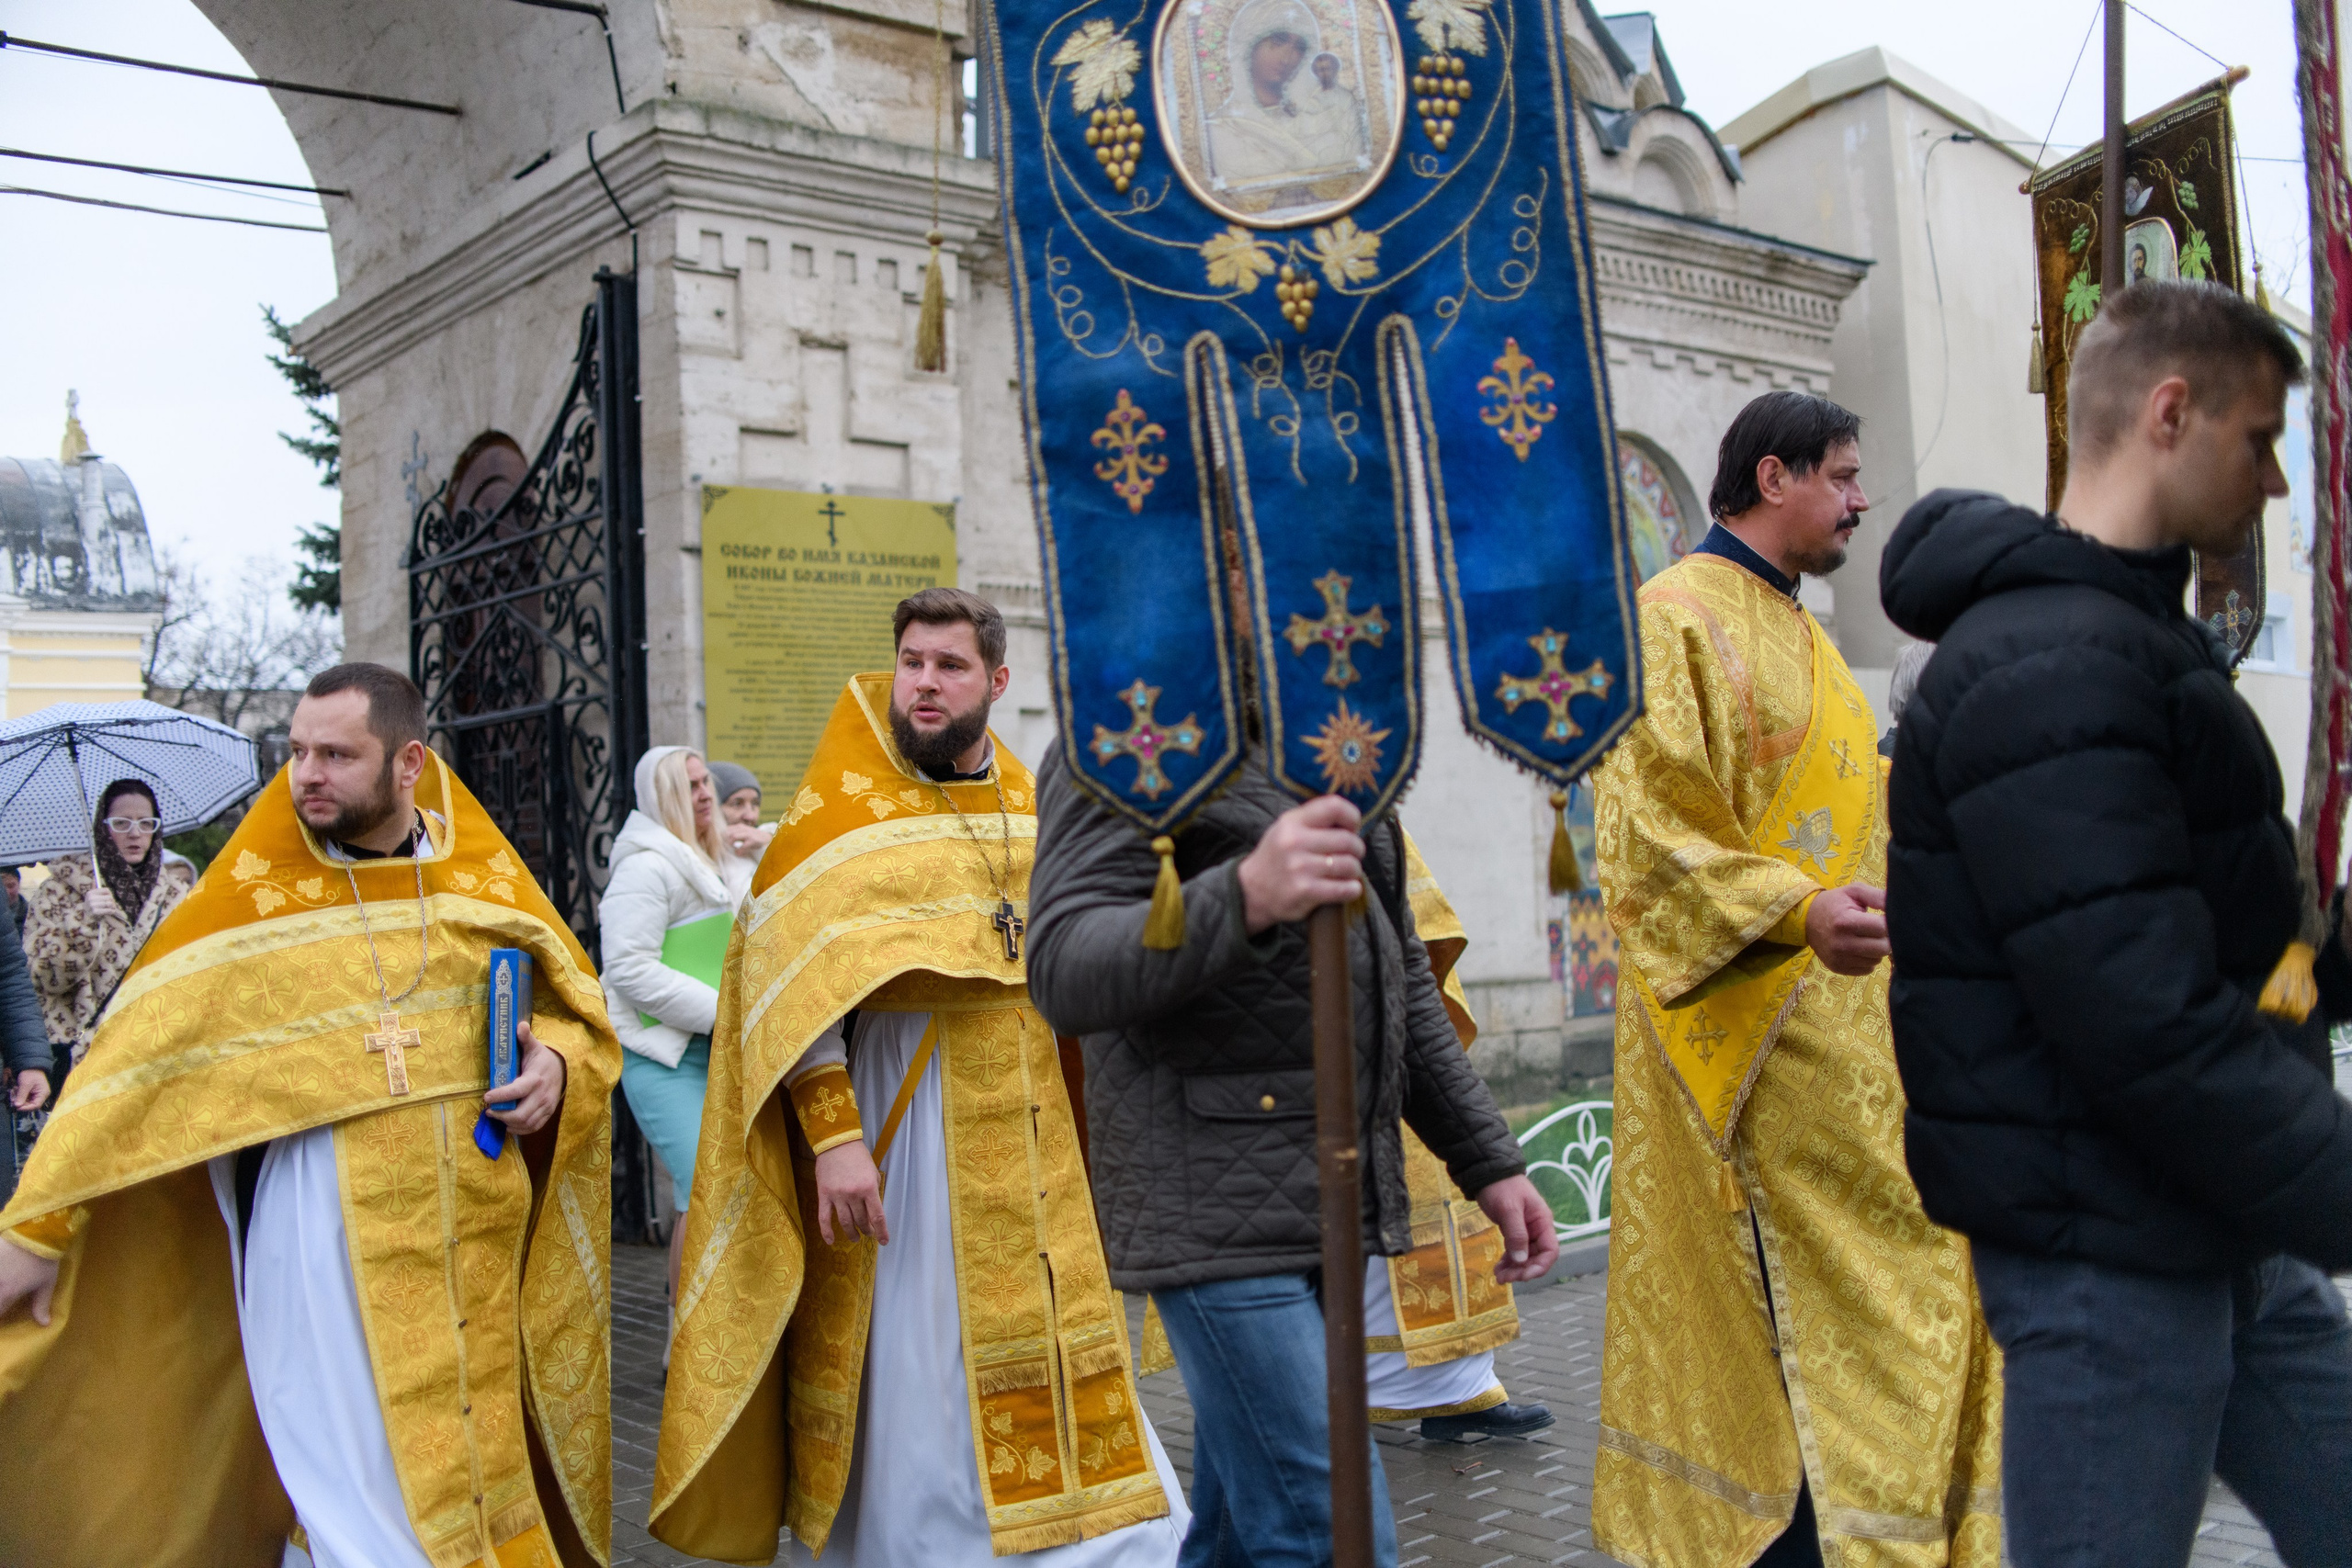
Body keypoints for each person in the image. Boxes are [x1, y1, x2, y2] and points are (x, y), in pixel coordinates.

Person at [1881, 280, 2352, 1567]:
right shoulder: (2050, 665)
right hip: (2106, 1248)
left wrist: (2330, 956)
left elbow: (2238, 961)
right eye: (2260, 442)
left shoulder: (2127, 639)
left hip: (2215, 1214)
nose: (2273, 483)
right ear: (2170, 412)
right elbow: (2143, 1019)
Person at [0, 661, 620, 1568]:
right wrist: (38, 1226)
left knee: (474, 1454)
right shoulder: (246, 902)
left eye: (336, 754)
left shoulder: (478, 880)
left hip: (473, 1235)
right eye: (296, 752)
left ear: (409, 763)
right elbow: (130, 1071)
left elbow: (577, 1009)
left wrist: (556, 1062)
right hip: (321, 1237)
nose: (307, 774)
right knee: (345, 1478)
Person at [652, 588, 1187, 1566]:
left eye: (949, 665)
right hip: (909, 1117)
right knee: (920, 1347)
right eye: (911, 663)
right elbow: (790, 994)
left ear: (996, 680)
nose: (925, 684)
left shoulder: (1031, 802)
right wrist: (835, 1141)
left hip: (1036, 1122)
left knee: (1058, 1325)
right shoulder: (836, 817)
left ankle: (1096, 1537)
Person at [1589, 389, 2001, 1568]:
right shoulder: (1668, 618)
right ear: (1774, 478)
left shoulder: (1807, 634)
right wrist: (1795, 909)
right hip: (1742, 1051)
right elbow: (1646, 838)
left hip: (1852, 1041)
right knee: (1798, 1317)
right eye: (1843, 475)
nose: (1861, 500)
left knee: (1903, 1293)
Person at [1026, 676, 1555, 1567]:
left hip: (1324, 1199)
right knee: (1333, 1535)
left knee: (1239, 1535)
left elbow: (1396, 972)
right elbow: (1064, 971)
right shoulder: (1120, 729)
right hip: (1207, 1202)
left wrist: (1488, 1161)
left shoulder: (1329, 725)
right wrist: (1243, 895)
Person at [1367, 833, 1552, 1443]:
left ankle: (1457, 1391)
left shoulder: (1352, 784)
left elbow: (1405, 979)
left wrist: (1493, 1164)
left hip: (1380, 1081)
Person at [602, 745, 735, 1302]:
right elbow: (627, 968)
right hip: (664, 1061)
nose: (704, 794)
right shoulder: (645, 865)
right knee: (701, 1189)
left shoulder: (707, 856)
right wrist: (724, 1013)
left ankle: (706, 1329)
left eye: (706, 783)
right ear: (662, 797)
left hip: (717, 1051)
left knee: (717, 1192)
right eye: (690, 786)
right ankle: (684, 1338)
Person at [23, 778, 196, 1065]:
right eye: (121, 823)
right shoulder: (59, 891)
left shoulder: (177, 895)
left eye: (146, 823)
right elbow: (41, 978)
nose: (135, 833)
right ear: (103, 828)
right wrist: (82, 921)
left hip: (155, 1055)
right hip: (83, 1060)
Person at [708, 759, 772, 893]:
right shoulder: (697, 856)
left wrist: (770, 843)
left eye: (755, 804)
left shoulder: (765, 840)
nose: (750, 816)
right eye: (737, 804)